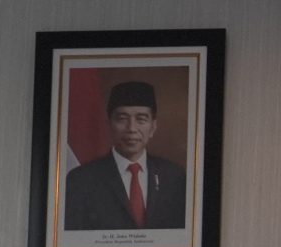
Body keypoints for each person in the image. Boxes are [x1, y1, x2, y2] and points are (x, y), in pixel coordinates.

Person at [62, 79, 187, 230]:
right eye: (122, 119)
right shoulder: (81, 180)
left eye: (141, 119)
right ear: (109, 125)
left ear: (153, 127)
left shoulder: (174, 176)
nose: (131, 128)